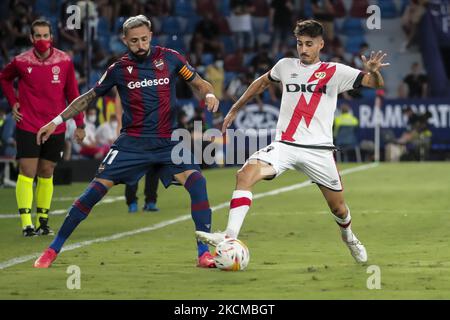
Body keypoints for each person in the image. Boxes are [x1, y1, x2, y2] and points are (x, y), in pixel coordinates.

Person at [33, 15, 220, 269]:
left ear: (151, 35)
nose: (140, 45)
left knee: (198, 182)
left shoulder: (171, 58)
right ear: (124, 40)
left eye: (144, 39)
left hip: (168, 141)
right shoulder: (118, 69)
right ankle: (52, 249)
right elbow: (88, 97)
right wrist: (55, 121)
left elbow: (198, 82)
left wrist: (209, 93)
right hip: (132, 143)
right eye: (134, 41)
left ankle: (203, 254)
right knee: (93, 193)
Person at [196, 20, 390, 263]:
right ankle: (230, 236)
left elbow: (376, 84)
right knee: (244, 174)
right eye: (300, 43)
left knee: (339, 209)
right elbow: (263, 81)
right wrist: (235, 108)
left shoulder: (336, 71)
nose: (304, 49)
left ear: (321, 44)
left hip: (318, 151)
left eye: (309, 44)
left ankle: (349, 237)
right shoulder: (285, 66)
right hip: (285, 146)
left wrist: (373, 70)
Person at [0, 19, 86, 237]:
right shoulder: (20, 61)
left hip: (55, 125)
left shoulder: (64, 61)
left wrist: (80, 124)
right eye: (37, 36)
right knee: (27, 171)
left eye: (45, 35)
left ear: (51, 37)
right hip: (28, 123)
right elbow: (4, 78)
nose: (41, 40)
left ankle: (43, 221)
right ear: (31, 38)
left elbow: (74, 95)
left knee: (46, 172)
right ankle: (27, 223)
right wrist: (13, 102)